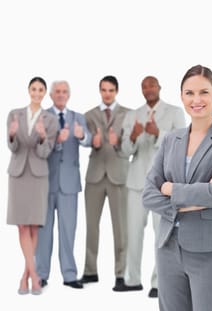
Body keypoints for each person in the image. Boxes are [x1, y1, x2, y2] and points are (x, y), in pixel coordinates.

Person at [142, 65, 212, 311]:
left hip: (208, 252)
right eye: (189, 93)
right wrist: (192, 199)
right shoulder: (171, 139)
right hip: (168, 249)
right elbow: (147, 194)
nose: (197, 99)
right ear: (182, 97)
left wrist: (171, 190)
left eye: (204, 92)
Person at [117, 76, 186, 297]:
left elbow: (182, 144)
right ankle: (132, 279)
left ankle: (159, 283)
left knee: (162, 234)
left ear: (159, 87)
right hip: (137, 183)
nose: (148, 89)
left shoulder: (174, 112)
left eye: (152, 85)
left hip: (163, 184)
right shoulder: (132, 115)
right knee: (133, 233)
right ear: (141, 90)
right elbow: (124, 152)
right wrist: (134, 137)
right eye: (144, 86)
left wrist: (159, 133)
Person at [36, 80, 92, 289]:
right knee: (44, 232)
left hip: (69, 184)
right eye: (57, 92)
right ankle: (41, 273)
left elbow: (89, 140)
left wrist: (82, 135)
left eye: (64, 92)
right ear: (51, 95)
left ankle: (69, 275)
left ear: (69, 95)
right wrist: (55, 140)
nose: (61, 95)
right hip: (46, 182)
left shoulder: (78, 117)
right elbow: (36, 146)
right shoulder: (42, 117)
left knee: (68, 230)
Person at [7, 77, 58, 295]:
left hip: (38, 175)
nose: (37, 93)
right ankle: (33, 275)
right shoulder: (14, 114)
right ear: (28, 90)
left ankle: (27, 276)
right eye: (33, 89)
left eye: (40, 89)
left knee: (34, 225)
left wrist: (43, 136)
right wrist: (11, 134)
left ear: (45, 92)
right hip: (18, 174)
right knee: (21, 225)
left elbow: (46, 152)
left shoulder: (51, 119)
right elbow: (13, 147)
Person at [79, 75, 130, 290]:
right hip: (95, 175)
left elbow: (129, 146)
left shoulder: (128, 114)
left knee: (121, 228)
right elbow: (84, 139)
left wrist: (118, 143)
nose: (107, 93)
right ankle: (90, 271)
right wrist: (93, 141)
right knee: (91, 226)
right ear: (99, 91)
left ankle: (121, 274)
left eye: (110, 90)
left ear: (116, 90)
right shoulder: (89, 115)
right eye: (103, 90)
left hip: (118, 174)